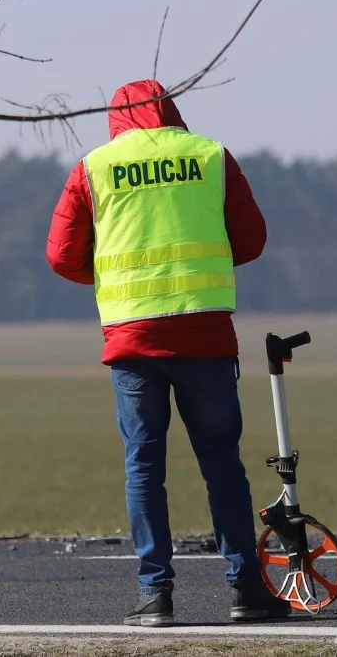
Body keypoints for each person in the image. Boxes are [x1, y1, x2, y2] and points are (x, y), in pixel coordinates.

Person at [46, 79, 292, 627]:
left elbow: (61, 255)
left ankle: (155, 595)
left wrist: (113, 276)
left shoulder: (94, 167)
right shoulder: (209, 155)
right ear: (171, 111)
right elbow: (250, 241)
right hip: (204, 336)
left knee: (143, 467)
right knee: (223, 467)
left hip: (133, 342)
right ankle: (246, 590)